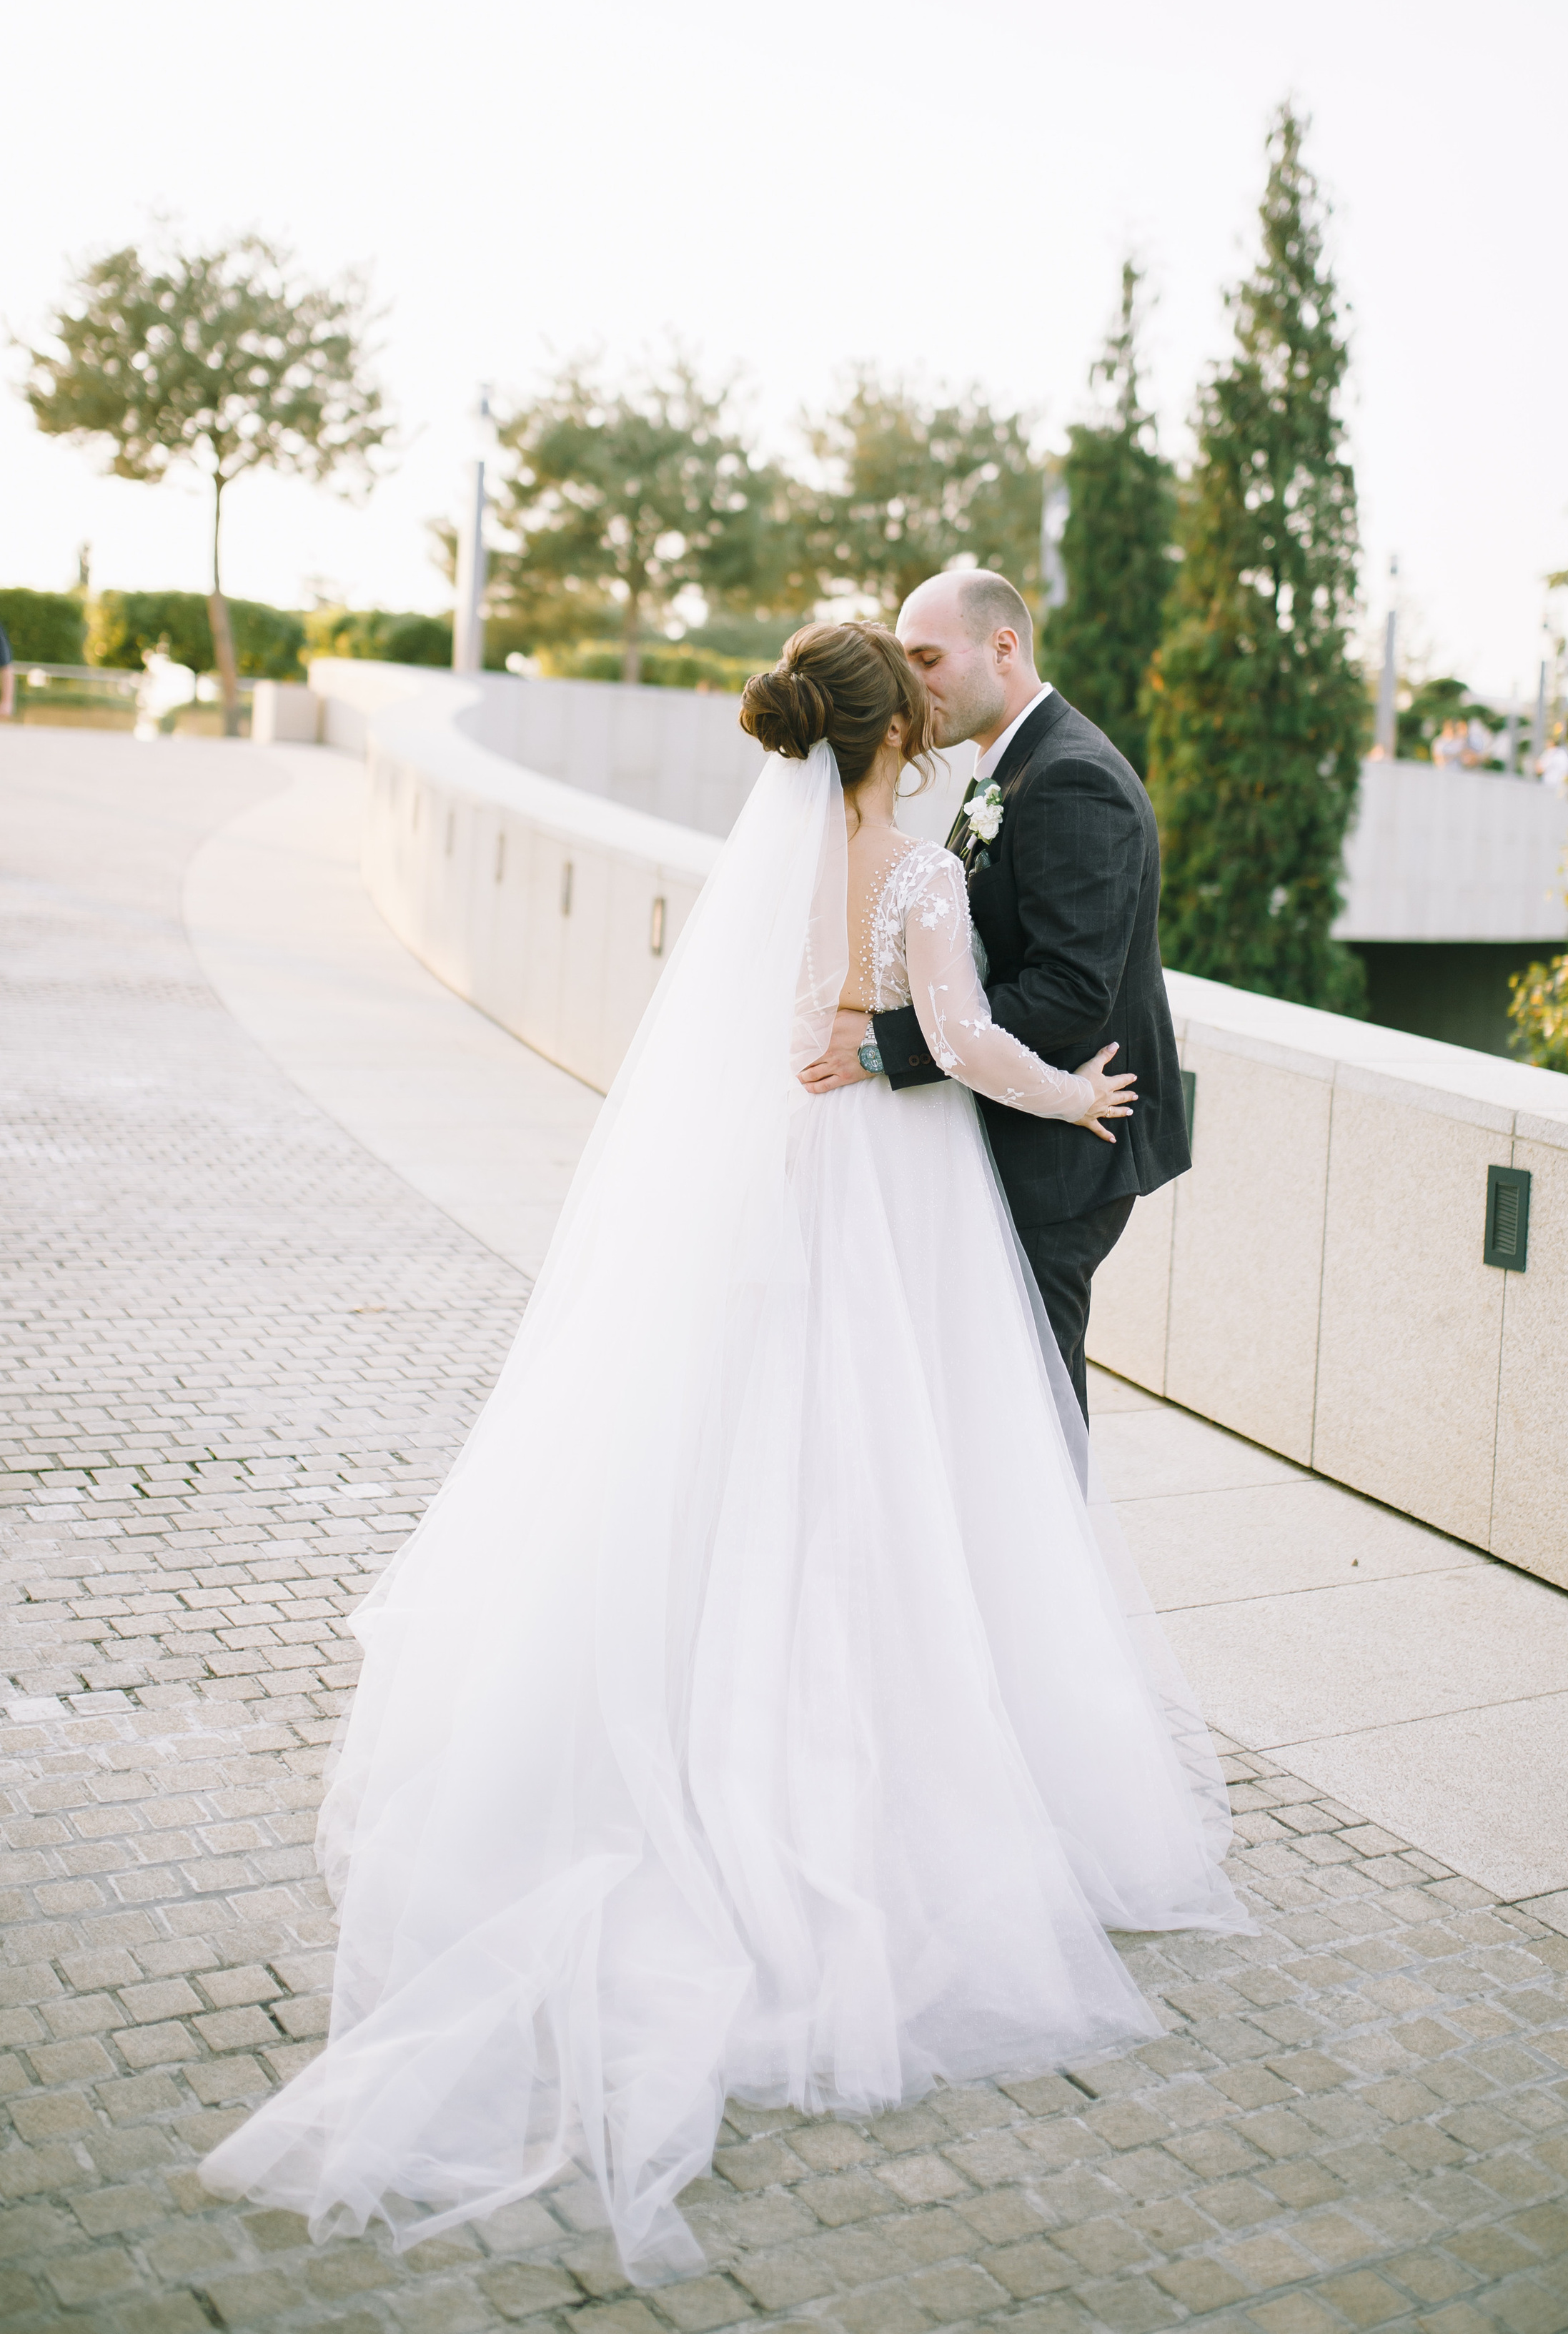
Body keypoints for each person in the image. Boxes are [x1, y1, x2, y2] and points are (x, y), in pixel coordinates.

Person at [199, 620, 1249, 2285]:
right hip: (895, 1203)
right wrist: (1074, 1095)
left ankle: (692, 1744)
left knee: (760, 1474)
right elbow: (968, 1047)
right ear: (902, 723)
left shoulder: (760, 876)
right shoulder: (913, 871)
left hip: (779, 1196)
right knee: (888, 1488)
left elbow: (767, 1045)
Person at [799, 571, 1190, 1417]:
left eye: (928, 658)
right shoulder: (1005, 770)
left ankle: (1052, 1554)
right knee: (984, 1395)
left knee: (1032, 1404)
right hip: (1003, 1120)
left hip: (1064, 1150)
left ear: (1003, 647)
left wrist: (882, 1046)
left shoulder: (1072, 777)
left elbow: (1069, 993)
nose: (912, 681)